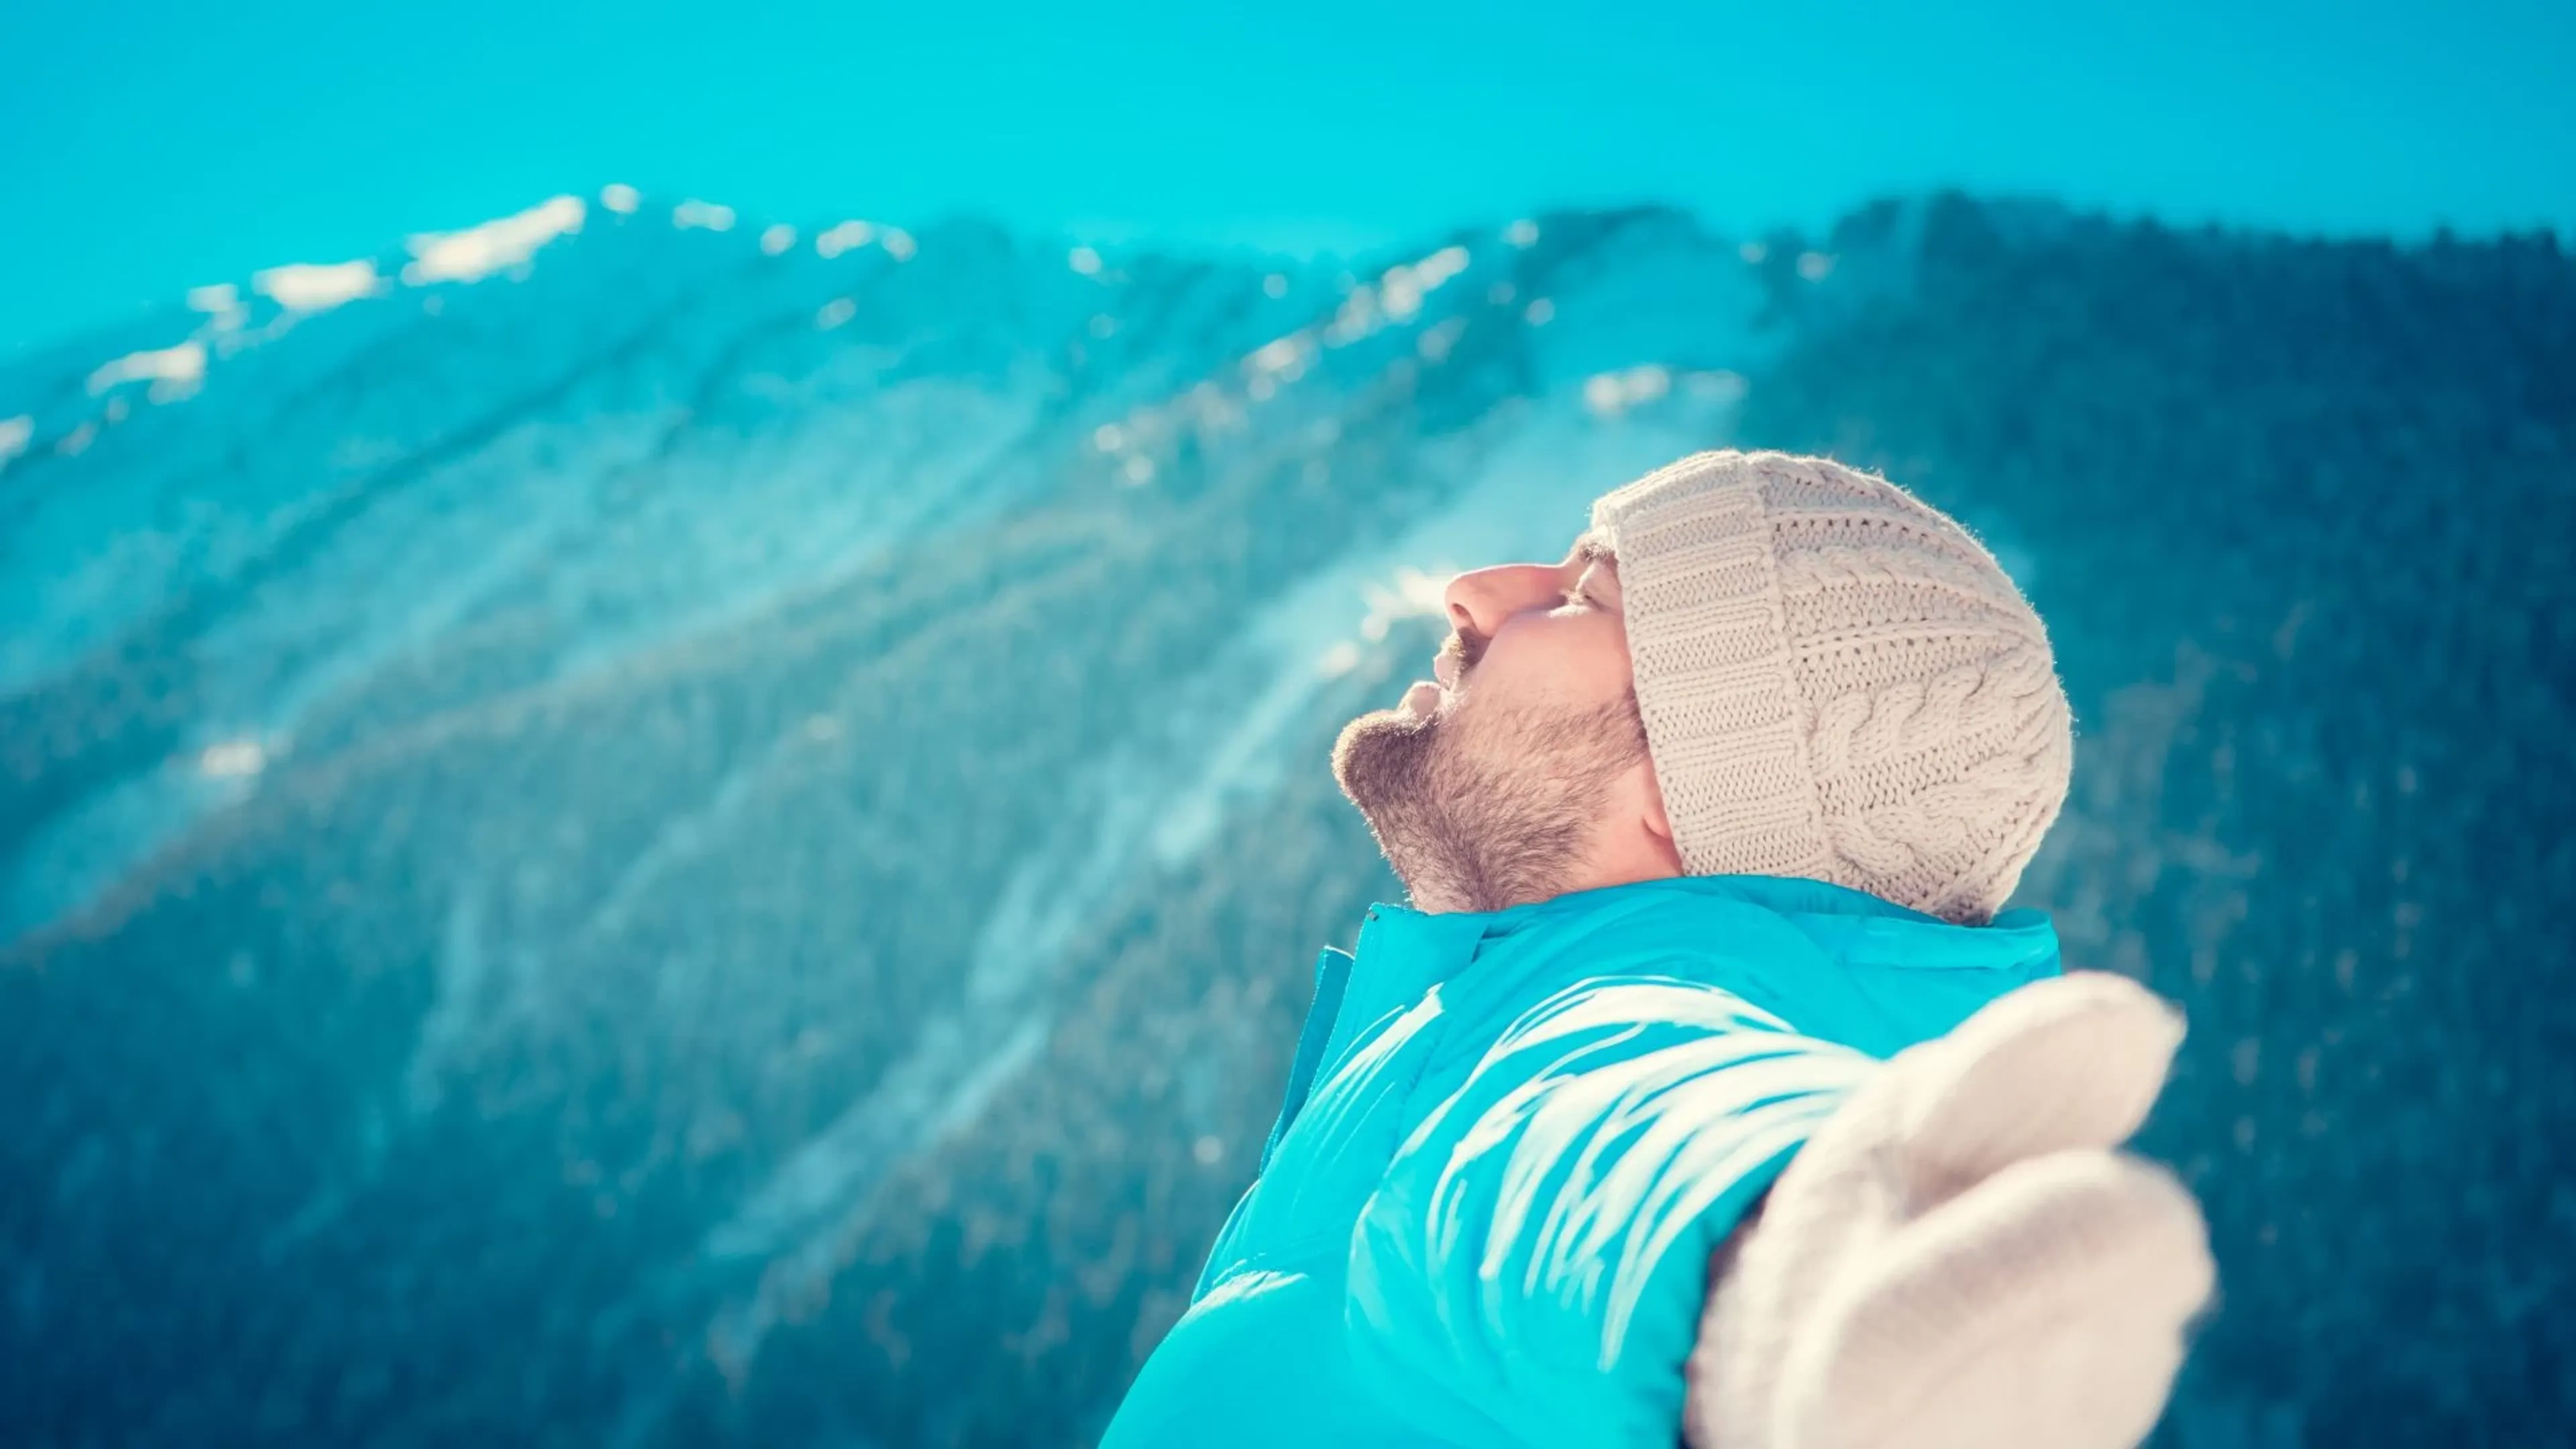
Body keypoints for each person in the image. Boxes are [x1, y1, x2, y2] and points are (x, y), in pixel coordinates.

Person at [1097, 451, 2214, 1448]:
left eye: (1587, 597)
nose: (1478, 593)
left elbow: (1612, 1132)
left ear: (1687, 795)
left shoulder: (1592, 1031)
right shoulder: (1505, 995)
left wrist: (1786, 1273)